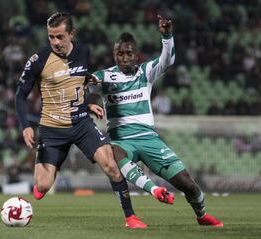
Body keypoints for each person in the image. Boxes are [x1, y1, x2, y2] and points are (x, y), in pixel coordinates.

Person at [15, 12, 171, 229]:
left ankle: (130, 217)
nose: (55, 42)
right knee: (42, 186)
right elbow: (20, 96)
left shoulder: (83, 51)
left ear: (72, 34)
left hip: (81, 124)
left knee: (111, 165)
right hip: (52, 129)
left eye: (60, 37)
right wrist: (25, 127)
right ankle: (45, 174)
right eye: (51, 37)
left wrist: (86, 103)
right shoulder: (38, 61)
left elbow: (77, 85)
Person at [87, 15, 223, 227]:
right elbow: (84, 88)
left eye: (128, 53)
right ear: (114, 55)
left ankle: (202, 214)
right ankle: (153, 191)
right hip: (121, 139)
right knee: (114, 155)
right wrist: (86, 95)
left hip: (149, 139)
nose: (124, 58)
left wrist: (167, 37)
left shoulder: (145, 72)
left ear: (136, 55)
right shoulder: (104, 77)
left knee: (187, 184)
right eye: (119, 54)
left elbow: (167, 60)